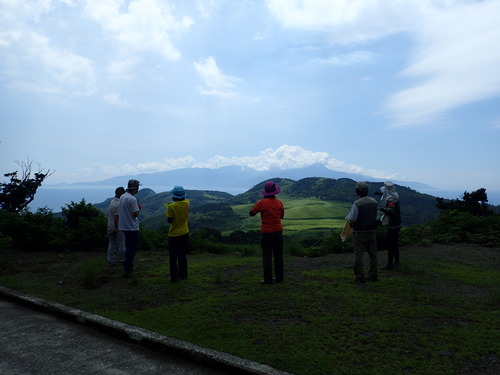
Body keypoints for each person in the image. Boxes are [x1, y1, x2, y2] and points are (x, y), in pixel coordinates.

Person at [250, 181, 285, 284]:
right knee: (279, 256)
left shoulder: (261, 203)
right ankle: (279, 278)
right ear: (275, 192)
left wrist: (256, 204)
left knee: (267, 257)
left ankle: (268, 279)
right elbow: (281, 216)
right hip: (278, 232)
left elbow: (251, 213)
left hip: (266, 233)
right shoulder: (279, 203)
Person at [347, 181, 378, 283]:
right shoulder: (374, 202)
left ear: (357, 191)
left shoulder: (357, 203)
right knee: (373, 254)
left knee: (358, 254)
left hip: (360, 232)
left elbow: (352, 219)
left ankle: (359, 276)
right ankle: (373, 274)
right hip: (372, 231)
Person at [166, 186, 190, 283]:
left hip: (174, 235)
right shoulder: (187, 203)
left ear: (173, 196)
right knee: (182, 255)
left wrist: (169, 207)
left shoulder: (171, 206)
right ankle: (183, 275)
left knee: (173, 257)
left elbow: (169, 220)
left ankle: (174, 278)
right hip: (185, 233)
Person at [118, 179, 141, 277]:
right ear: (135, 188)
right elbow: (135, 214)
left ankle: (129, 266)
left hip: (124, 226)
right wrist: (139, 208)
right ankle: (127, 268)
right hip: (132, 227)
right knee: (133, 248)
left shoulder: (122, 196)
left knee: (128, 247)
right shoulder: (132, 199)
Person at [377, 181, 402, 270]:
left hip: (393, 225)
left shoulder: (391, 200)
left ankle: (390, 264)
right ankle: (396, 262)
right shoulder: (395, 196)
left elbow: (390, 211)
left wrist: (381, 209)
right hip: (397, 223)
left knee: (391, 244)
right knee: (395, 244)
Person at [106, 186, 125, 266]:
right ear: (121, 194)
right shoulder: (119, 203)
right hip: (117, 227)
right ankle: (122, 260)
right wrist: (116, 228)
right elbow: (117, 217)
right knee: (121, 244)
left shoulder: (112, 201)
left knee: (112, 244)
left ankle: (111, 260)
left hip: (110, 226)